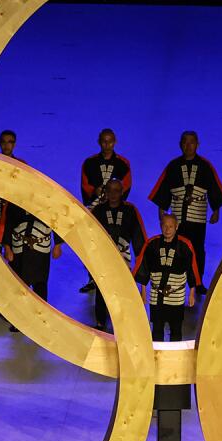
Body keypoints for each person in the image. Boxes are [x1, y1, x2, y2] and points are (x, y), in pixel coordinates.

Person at [148, 130, 222, 267]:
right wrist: (161, 210)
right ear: (180, 144)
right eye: (185, 142)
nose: (188, 145)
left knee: (198, 248)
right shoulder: (173, 166)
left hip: (198, 214)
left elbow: (214, 187)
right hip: (178, 215)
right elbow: (164, 188)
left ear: (197, 144)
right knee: (177, 246)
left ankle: (198, 283)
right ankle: (178, 279)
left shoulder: (205, 165)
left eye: (192, 142)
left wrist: (216, 210)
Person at [86, 178, 146, 330]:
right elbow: (88, 233)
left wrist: (141, 258)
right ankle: (100, 322)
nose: (113, 194)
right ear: (105, 191)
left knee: (122, 289)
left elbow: (138, 235)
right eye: (110, 190)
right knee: (102, 290)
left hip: (123, 256)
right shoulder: (98, 210)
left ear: (122, 192)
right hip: (102, 256)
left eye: (116, 190)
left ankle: (122, 323)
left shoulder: (130, 211)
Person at [134, 212, 203, 342]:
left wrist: (192, 293)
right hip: (156, 294)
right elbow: (144, 268)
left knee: (176, 328)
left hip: (176, 296)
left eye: (171, 226)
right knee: (157, 329)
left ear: (176, 227)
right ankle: (157, 357)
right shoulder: (152, 244)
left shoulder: (185, 245)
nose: (167, 229)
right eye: (165, 226)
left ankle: (175, 359)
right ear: (160, 226)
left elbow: (191, 268)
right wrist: (143, 292)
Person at [79, 127, 132, 208]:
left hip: (115, 207)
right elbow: (85, 185)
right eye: (104, 141)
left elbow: (126, 185)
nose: (107, 145)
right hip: (94, 207)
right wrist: (94, 191)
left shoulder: (123, 164)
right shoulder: (89, 163)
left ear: (115, 142)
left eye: (110, 142)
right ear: (99, 142)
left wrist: (113, 195)